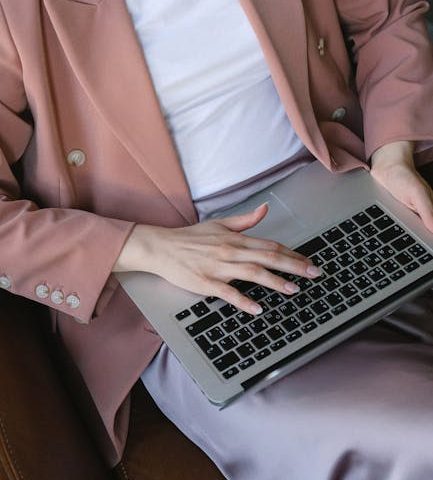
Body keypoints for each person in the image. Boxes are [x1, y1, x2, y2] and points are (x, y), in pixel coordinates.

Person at [0, 0, 433, 478]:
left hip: (341, 190)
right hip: (174, 270)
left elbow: (386, 16)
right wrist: (145, 247)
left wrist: (393, 156)